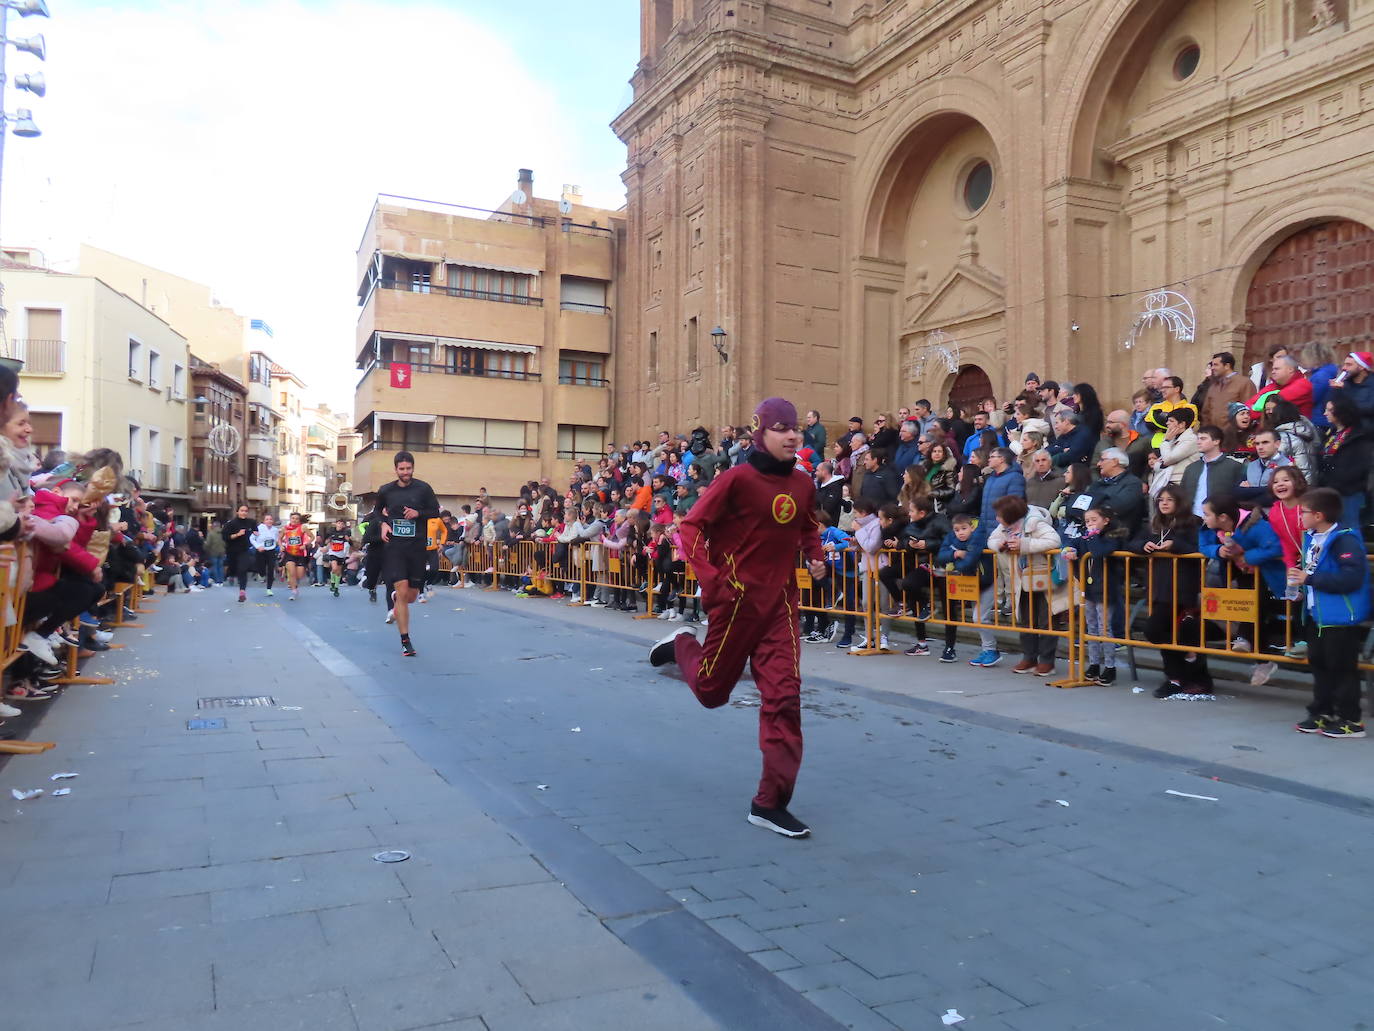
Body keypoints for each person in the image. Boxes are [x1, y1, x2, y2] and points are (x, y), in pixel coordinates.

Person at [648, 397, 827, 839]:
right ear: (760, 433)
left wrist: (816, 556)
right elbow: (689, 528)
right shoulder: (736, 479)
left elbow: (806, 527)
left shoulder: (803, 484)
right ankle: (680, 645)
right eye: (782, 428)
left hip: (781, 608)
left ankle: (769, 804)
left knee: (784, 698)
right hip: (736, 603)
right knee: (711, 693)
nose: (792, 436)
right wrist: (712, 581)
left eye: (796, 429)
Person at [1289, 487, 1369, 738]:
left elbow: (1351, 578)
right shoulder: (1312, 538)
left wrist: (1309, 579)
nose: (1299, 516)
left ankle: (1350, 721)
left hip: (1340, 616)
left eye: (1303, 512)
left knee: (1342, 668)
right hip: (1317, 614)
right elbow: (1312, 574)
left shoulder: (1345, 539)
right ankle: (1322, 712)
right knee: (1320, 664)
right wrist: (1302, 589)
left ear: (1319, 514)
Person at [1131, 484, 1209, 698]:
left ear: (1179, 502)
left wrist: (1175, 545)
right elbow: (1133, 542)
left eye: (1169, 500)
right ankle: (1178, 673)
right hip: (1159, 587)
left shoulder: (1193, 523)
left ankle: (1188, 674)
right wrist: (1143, 546)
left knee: (1174, 631)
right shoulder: (1155, 524)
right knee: (1162, 633)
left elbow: (1200, 550)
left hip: (1183, 587)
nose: (1164, 503)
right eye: (1161, 500)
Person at [987, 494, 1064, 677]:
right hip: (1022, 578)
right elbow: (991, 540)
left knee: (1046, 620)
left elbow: (1054, 541)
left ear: (1011, 514)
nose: (997, 518)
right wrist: (1001, 544)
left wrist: (1024, 544)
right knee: (1026, 619)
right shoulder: (1004, 526)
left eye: (999, 514)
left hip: (1044, 577)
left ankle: (1047, 661)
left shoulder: (1035, 523)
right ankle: (1029, 657)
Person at [377, 450, 441, 657]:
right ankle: (406, 641)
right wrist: (384, 524)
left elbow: (435, 511)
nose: (406, 472)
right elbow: (377, 511)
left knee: (411, 596)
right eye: (402, 469)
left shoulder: (423, 488)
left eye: (409, 468)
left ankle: (398, 600)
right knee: (403, 590)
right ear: (395, 469)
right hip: (395, 548)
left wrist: (418, 513)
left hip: (417, 548)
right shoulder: (386, 490)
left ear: (413, 468)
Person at [1061, 504, 1129, 685]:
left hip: (1107, 589)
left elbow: (1099, 552)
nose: (1090, 524)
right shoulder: (1087, 538)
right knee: (1090, 626)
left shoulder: (1112, 537)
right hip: (1089, 588)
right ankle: (1093, 664)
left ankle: (1110, 666)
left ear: (1106, 521)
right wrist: (1069, 549)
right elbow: (1072, 543)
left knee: (1104, 628)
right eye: (1087, 521)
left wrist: (1092, 536)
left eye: (1094, 520)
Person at [1317, 394, 1374, 531]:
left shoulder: (1359, 436)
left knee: (1350, 529)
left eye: (1330, 410)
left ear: (1342, 411)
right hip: (1330, 491)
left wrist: (1342, 482)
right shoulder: (1332, 434)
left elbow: (1360, 466)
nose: (1325, 413)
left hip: (1350, 493)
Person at [1181, 425, 1245, 518]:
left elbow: (1240, 496)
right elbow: (1183, 495)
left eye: (1203, 439)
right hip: (1191, 521)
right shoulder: (1191, 468)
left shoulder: (1234, 466)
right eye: (1198, 439)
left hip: (1221, 520)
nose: (1198, 442)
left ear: (1216, 441)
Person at [1198, 352, 1254, 431]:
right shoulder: (1214, 386)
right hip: (1215, 437)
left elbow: (1249, 410)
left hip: (1235, 437)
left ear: (1227, 366)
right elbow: (1206, 412)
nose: (1212, 368)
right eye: (1212, 365)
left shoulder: (1244, 383)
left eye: (1216, 365)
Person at [222, 504, 256, 603]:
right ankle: (231, 575)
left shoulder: (251, 522)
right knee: (234, 569)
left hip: (244, 550)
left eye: (246, 511)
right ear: (237, 512)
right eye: (242, 510)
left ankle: (242, 592)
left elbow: (257, 532)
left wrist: (257, 534)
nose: (244, 512)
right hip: (232, 551)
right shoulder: (231, 523)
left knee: (243, 569)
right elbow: (225, 537)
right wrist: (237, 534)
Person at [1327, 349, 1374, 419]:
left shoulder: (1371, 384)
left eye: (1349, 365)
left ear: (1361, 367)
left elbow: (1368, 409)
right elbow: (1330, 406)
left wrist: (1346, 389)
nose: (1344, 368)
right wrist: (1336, 389)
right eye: (1344, 364)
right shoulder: (1346, 384)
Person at [278, 512, 312, 601]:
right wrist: (281, 546)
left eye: (297, 519)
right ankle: (293, 591)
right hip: (289, 554)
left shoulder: (303, 527)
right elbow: (279, 539)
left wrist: (305, 545)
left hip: (300, 554)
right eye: (293, 518)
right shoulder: (285, 529)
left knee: (299, 575)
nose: (295, 520)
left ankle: (294, 584)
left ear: (299, 520)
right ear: (290, 519)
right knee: (292, 573)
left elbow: (312, 537)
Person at [250, 513, 280, 597]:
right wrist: (258, 546)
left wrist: (280, 545)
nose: (269, 521)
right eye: (267, 519)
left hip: (271, 550)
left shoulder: (275, 530)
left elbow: (277, 539)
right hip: (261, 550)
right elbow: (251, 538)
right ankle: (261, 574)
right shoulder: (259, 528)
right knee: (261, 569)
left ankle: (269, 588)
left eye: (270, 519)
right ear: (263, 521)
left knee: (271, 568)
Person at [323, 519, 351, 597]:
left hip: (341, 554)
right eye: (339, 523)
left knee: (338, 572)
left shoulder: (346, 532)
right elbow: (325, 541)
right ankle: (332, 582)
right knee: (334, 568)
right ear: (336, 524)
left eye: (342, 524)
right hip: (333, 552)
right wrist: (327, 542)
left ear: (344, 525)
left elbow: (350, 543)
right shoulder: (331, 531)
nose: (340, 525)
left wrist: (348, 540)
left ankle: (336, 588)